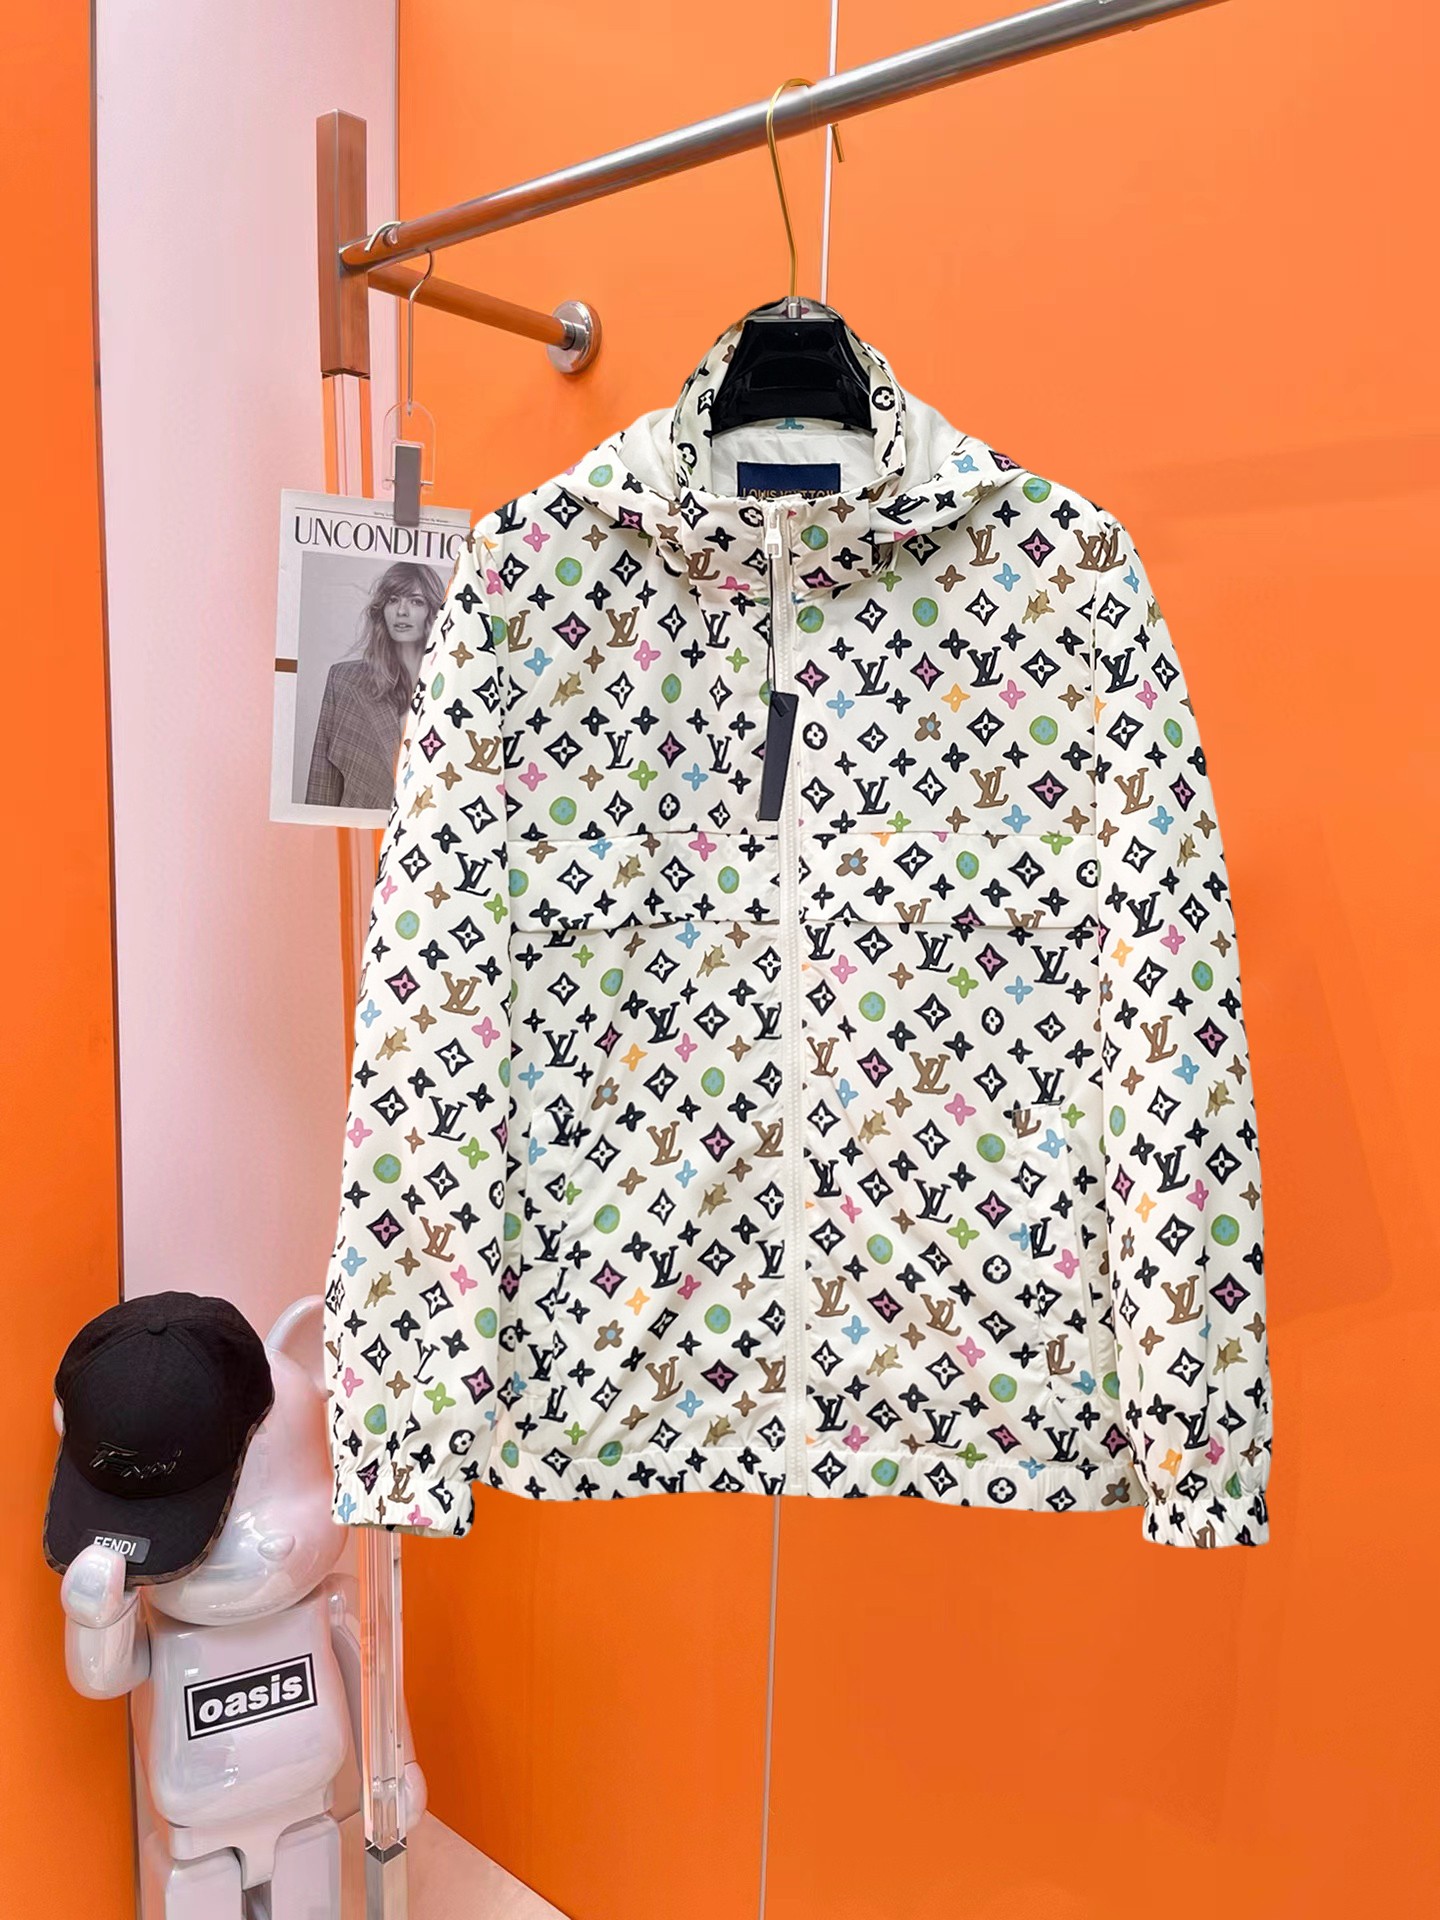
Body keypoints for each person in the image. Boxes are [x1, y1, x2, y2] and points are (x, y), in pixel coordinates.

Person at [304, 560, 448, 809]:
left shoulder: (456, 688)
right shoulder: (346, 681)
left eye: (416, 601)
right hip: (357, 829)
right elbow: (322, 784)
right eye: (393, 600)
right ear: (382, 609)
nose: (402, 611)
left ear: (433, 611)